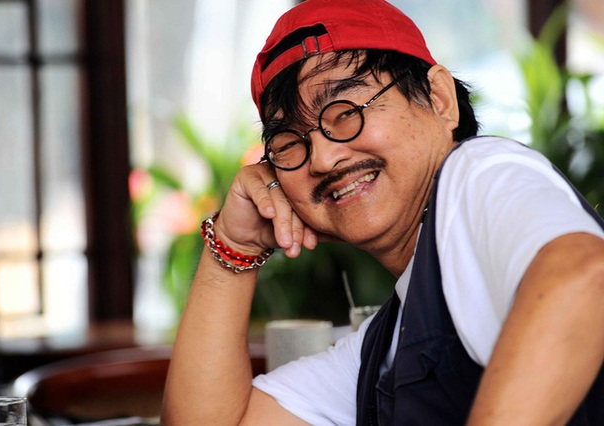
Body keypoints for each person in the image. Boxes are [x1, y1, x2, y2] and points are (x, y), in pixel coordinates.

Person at [162, 0, 604, 424]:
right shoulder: (382, 346)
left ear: (439, 98)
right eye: (289, 144)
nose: (323, 160)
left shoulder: (478, 172)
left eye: (346, 112)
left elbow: (584, 276)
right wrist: (233, 246)